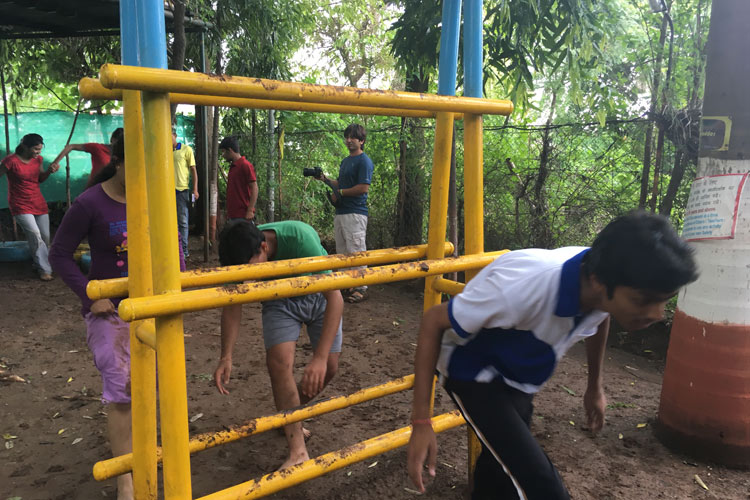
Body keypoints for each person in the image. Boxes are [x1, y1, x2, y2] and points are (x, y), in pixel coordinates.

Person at [406, 212, 699, 499]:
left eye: (664, 302)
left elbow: (601, 316)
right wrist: (421, 423)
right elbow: (433, 320)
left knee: (502, 462)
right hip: (472, 369)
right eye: (643, 301)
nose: (656, 314)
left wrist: (594, 386)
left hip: (521, 373)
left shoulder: (604, 276)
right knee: (540, 483)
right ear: (599, 282)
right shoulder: (521, 289)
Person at [49, 137, 184, 500]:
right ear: (118, 162)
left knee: (153, 384)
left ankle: (146, 453)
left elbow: (174, 246)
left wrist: (177, 289)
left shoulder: (156, 198)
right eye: (138, 167)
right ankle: (126, 479)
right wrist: (90, 295)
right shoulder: (90, 203)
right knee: (122, 390)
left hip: (152, 307)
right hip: (110, 314)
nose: (146, 175)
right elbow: (59, 253)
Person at [213, 220, 343, 470]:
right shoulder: (240, 252)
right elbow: (232, 304)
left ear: (264, 247)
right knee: (279, 363)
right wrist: (225, 356)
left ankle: (288, 416)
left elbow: (335, 298)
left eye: (250, 271)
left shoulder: (300, 240)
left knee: (329, 366)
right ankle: (298, 451)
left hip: (319, 293)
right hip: (279, 298)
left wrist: (319, 358)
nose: (248, 280)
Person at [314, 123, 373, 303]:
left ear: (361, 141)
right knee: (342, 250)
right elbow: (340, 183)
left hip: (355, 213)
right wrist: (324, 179)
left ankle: (361, 287)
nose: (348, 140)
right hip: (341, 212)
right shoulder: (346, 161)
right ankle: (346, 284)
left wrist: (340, 193)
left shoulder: (364, 161)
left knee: (356, 250)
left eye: (353, 137)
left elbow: (363, 187)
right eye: (347, 137)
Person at [0, 133, 58, 281]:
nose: (38, 152)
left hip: (38, 202)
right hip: (19, 204)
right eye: (36, 149)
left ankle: (38, 263)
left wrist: (49, 172)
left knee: (45, 236)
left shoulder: (38, 160)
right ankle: (44, 270)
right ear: (25, 147)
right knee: (35, 234)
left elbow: (40, 179)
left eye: (40, 149)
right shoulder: (10, 161)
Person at [50, 128, 124, 189]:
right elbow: (71, 146)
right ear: (113, 139)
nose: (121, 145)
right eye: (119, 142)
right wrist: (55, 163)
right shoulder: (98, 148)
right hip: (95, 187)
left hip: (114, 189)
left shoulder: (124, 155)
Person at [219, 136, 258, 223]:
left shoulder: (245, 165)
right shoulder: (233, 167)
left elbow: (254, 188)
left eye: (223, 151)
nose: (223, 155)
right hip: (233, 215)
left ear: (230, 150)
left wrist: (250, 210)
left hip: (243, 215)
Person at [173, 129, 199, 257]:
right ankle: (173, 248)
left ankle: (183, 251)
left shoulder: (186, 150)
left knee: (182, 221)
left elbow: (193, 170)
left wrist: (195, 189)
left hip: (181, 190)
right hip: (166, 191)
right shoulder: (163, 151)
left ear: (175, 135)